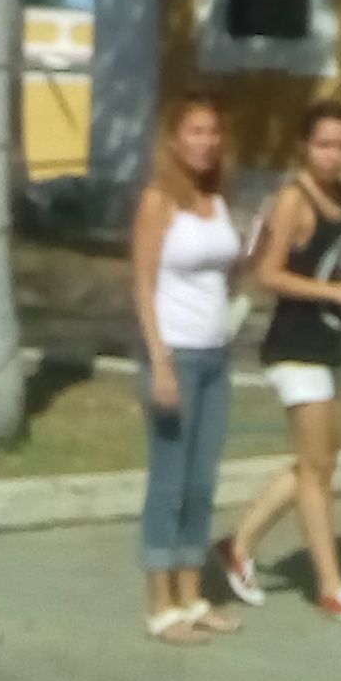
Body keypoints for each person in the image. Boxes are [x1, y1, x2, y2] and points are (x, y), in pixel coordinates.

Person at [219, 98, 341, 625]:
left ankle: (237, 545)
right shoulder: (294, 199)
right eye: (324, 144)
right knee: (316, 473)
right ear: (305, 147)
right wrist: (335, 295)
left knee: (322, 462)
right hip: (294, 347)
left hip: (330, 346)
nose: (334, 155)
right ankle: (330, 586)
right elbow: (269, 273)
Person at [131, 91, 246, 645]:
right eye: (196, 131)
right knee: (169, 481)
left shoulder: (216, 199)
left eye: (213, 132)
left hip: (216, 356)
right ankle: (160, 607)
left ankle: (192, 594)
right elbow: (143, 284)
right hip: (174, 354)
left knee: (202, 483)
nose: (206, 142)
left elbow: (224, 276)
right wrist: (159, 362)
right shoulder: (158, 200)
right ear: (174, 139)